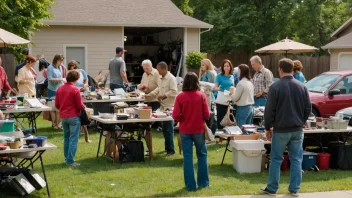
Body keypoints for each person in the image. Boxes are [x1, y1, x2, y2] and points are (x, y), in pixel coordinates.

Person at [261, 58, 311, 197]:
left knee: (276, 159)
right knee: (296, 159)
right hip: (297, 128)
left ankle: (272, 188)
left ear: (280, 69)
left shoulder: (275, 87)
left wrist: (267, 127)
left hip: (281, 129)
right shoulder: (302, 86)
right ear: (292, 69)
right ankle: (295, 189)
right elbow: (308, 108)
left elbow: (269, 110)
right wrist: (302, 121)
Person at [172, 72, 210, 191]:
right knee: (202, 155)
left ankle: (190, 185)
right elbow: (207, 114)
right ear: (197, 82)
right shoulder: (201, 95)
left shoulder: (180, 96)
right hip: (198, 129)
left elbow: (176, 115)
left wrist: (183, 118)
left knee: (187, 157)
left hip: (185, 130)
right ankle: (203, 183)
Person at [146, 62, 177, 155]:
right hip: (163, 106)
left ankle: (171, 150)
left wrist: (164, 95)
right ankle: (167, 148)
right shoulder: (160, 78)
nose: (157, 71)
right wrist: (150, 95)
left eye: (158, 69)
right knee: (164, 129)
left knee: (169, 129)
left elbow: (174, 91)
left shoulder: (171, 78)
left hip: (169, 106)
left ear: (164, 69)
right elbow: (158, 89)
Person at [55, 70, 85, 167]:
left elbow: (57, 104)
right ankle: (70, 160)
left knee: (66, 138)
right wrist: (85, 108)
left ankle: (67, 158)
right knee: (73, 139)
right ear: (76, 79)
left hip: (64, 116)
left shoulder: (59, 89)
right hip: (73, 116)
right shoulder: (75, 89)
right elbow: (80, 105)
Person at [67, 60, 91, 143]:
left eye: (73, 68)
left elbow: (86, 81)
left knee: (83, 115)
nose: (72, 70)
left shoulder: (82, 72)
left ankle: (86, 136)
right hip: (74, 95)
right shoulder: (69, 74)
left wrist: (84, 86)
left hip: (82, 93)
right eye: (70, 69)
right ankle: (82, 136)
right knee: (79, 116)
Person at [230, 64, 254, 128]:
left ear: (241, 72)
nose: (237, 72)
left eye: (238, 70)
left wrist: (231, 93)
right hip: (250, 108)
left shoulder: (240, 83)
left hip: (242, 109)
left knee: (240, 130)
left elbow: (235, 98)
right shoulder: (250, 83)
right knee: (249, 130)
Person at [214, 59, 234, 129]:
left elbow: (233, 87)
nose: (226, 67)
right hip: (221, 100)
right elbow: (215, 87)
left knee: (229, 118)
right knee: (220, 119)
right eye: (224, 66)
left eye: (228, 66)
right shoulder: (219, 76)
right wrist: (220, 89)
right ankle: (219, 135)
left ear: (230, 67)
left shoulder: (232, 76)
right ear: (222, 67)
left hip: (229, 100)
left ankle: (228, 136)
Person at [47, 54, 66, 129]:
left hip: (59, 89)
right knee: (52, 108)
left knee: (59, 108)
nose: (61, 62)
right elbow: (50, 79)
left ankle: (59, 124)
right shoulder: (50, 67)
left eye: (62, 60)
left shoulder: (60, 67)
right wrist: (61, 79)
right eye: (60, 60)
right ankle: (54, 124)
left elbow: (60, 77)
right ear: (56, 60)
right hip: (52, 89)